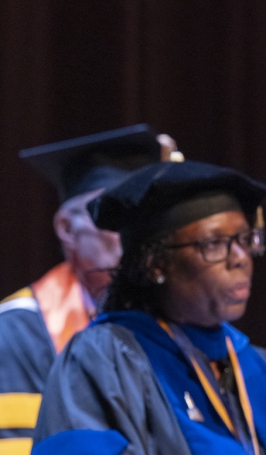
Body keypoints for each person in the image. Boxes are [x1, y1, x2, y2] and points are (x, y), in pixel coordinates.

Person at [31, 160, 266, 455]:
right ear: (155, 263)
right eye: (213, 244)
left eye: (244, 239)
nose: (240, 258)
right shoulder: (105, 361)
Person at [0, 125, 176, 455]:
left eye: (145, 214)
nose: (134, 231)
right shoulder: (15, 333)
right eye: (113, 213)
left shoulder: (176, 320)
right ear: (67, 228)